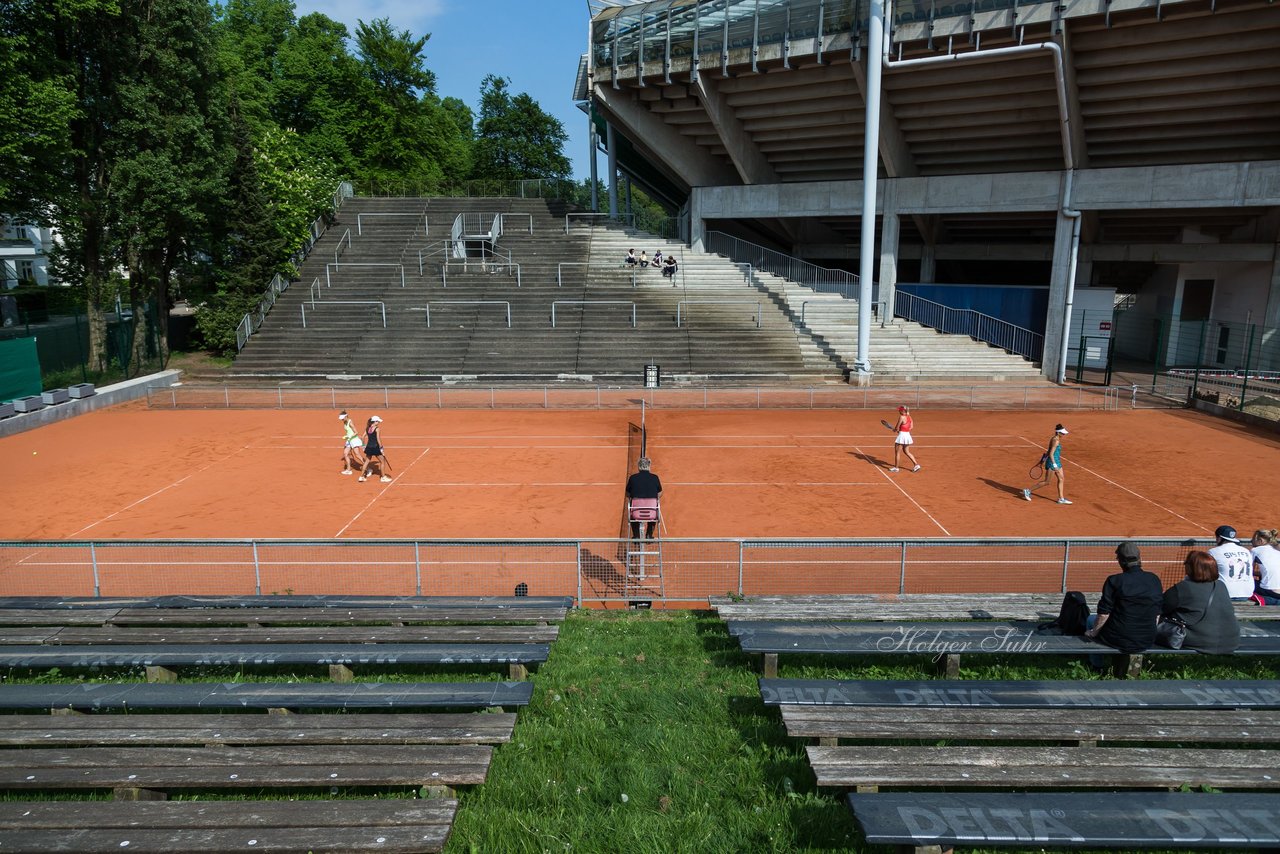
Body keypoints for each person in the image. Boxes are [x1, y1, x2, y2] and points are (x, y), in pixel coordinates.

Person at [1083, 541, 1163, 653]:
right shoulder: (1154, 579)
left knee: (1090, 619)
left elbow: (1103, 614)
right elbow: (1157, 614)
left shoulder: (1114, 580)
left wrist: (1093, 632)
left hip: (1119, 639)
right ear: (1139, 559)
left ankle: (1096, 665)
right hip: (1147, 639)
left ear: (1120, 561)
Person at [1161, 550, 1239, 654]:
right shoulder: (1221, 586)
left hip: (1202, 641)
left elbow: (1161, 607)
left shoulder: (1183, 588)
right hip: (1231, 640)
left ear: (1190, 568)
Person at [1023, 424, 1070, 505]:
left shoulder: (1054, 438)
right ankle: (1028, 491)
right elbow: (1051, 454)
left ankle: (1061, 499)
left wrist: (1042, 461)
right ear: (1058, 433)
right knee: (1047, 482)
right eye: (1063, 433)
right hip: (1052, 463)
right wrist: (1054, 465)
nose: (1064, 434)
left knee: (1061, 479)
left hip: (1057, 461)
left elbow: (1048, 452)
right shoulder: (1056, 441)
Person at [1209, 525, 1254, 600]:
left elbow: (1207, 573)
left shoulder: (1213, 552)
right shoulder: (1246, 551)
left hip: (1225, 594)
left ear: (1219, 538)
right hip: (1246, 593)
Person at [625, 456, 662, 540]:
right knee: (655, 509)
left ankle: (636, 536)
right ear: (649, 466)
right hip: (651, 514)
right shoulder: (655, 477)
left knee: (631, 509)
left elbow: (627, 494)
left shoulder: (632, 478)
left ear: (639, 466)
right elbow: (660, 493)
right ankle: (649, 534)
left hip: (636, 513)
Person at [1250, 528, 1280, 605]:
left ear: (1261, 541)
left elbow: (1248, 572)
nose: (1251, 541)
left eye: (1253, 539)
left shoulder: (1255, 550)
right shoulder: (1277, 549)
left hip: (1271, 591)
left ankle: (1266, 600)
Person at [888, 405, 921, 473]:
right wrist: (902, 430)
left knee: (897, 452)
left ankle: (896, 468)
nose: (898, 411)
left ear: (903, 411)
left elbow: (897, 427)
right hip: (907, 435)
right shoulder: (909, 417)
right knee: (907, 452)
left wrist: (895, 430)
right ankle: (916, 465)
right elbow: (911, 427)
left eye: (899, 410)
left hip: (902, 436)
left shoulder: (901, 417)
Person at [359, 415, 391, 483]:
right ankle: (383, 477)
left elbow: (362, 437)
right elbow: (378, 439)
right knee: (382, 461)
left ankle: (361, 477)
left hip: (369, 447)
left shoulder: (368, 428)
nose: (379, 422)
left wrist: (363, 446)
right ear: (375, 421)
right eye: (378, 421)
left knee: (367, 461)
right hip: (375, 447)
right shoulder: (377, 429)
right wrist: (381, 448)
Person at [339, 411, 365, 475]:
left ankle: (368, 468)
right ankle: (348, 470)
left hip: (354, 440)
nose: (341, 419)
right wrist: (347, 436)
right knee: (345, 454)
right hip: (349, 440)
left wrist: (349, 436)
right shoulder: (345, 422)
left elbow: (356, 432)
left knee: (357, 455)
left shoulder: (350, 423)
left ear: (346, 416)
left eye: (342, 418)